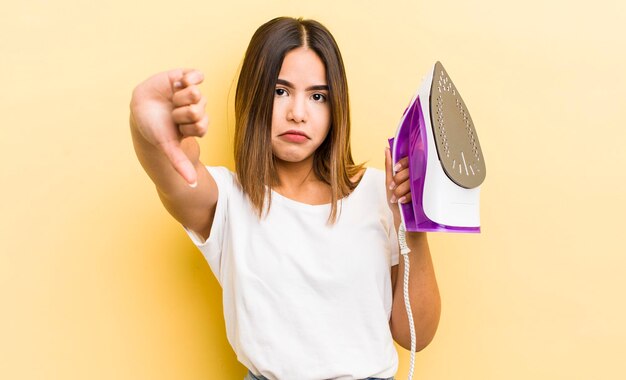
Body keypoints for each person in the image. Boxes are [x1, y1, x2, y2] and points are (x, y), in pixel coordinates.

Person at [129, 16, 440, 380]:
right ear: (254, 95)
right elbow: (172, 172)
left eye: (318, 96)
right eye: (280, 91)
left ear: (335, 106)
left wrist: (412, 227)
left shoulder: (379, 192)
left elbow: (414, 335)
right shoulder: (227, 200)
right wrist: (143, 123)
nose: (298, 113)